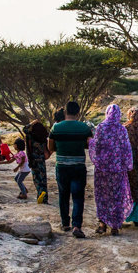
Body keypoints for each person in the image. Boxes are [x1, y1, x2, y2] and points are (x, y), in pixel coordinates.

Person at [48, 101, 93, 238]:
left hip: (61, 166)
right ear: (78, 113)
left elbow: (50, 148)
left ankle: (65, 223)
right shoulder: (84, 128)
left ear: (65, 112)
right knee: (78, 197)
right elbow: (90, 144)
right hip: (78, 166)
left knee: (63, 195)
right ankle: (77, 226)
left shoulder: (55, 128)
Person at [87, 104, 134, 236]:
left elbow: (96, 146)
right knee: (116, 196)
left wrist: (90, 142)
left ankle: (102, 224)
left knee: (102, 196)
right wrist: (127, 165)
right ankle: (115, 226)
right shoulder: (122, 129)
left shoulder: (101, 127)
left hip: (102, 169)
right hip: (118, 170)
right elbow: (127, 149)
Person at [22, 119, 50, 204]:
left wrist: (31, 123)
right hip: (41, 159)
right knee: (43, 179)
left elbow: (24, 129)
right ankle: (44, 198)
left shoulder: (31, 135)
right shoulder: (43, 138)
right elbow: (46, 153)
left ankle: (40, 193)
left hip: (33, 159)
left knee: (36, 179)